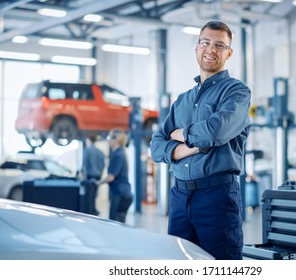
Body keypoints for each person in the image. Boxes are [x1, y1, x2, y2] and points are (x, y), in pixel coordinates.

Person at [150, 21, 251, 260]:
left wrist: (182, 135)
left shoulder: (236, 92)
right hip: (179, 197)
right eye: (206, 42)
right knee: (180, 264)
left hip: (216, 196)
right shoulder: (182, 100)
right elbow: (156, 146)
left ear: (229, 53)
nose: (211, 49)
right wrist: (194, 146)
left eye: (219, 45)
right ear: (197, 47)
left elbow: (216, 131)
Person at [97, 129, 133, 223]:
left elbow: (111, 177)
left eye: (109, 137)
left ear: (116, 139)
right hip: (124, 194)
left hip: (120, 194)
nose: (108, 140)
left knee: (114, 223)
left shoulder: (118, 155)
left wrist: (98, 183)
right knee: (119, 224)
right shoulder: (121, 153)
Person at [80, 134, 105, 215]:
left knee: (89, 195)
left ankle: (89, 211)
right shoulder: (100, 152)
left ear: (89, 140)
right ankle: (94, 210)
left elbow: (84, 163)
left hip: (90, 175)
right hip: (98, 175)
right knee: (94, 194)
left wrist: (82, 173)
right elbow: (103, 164)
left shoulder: (87, 150)